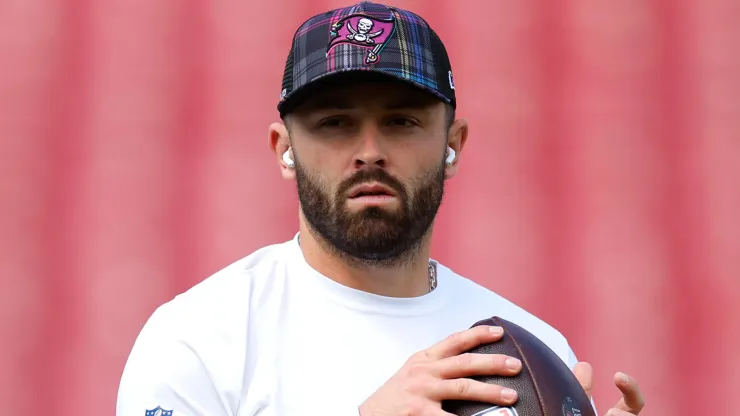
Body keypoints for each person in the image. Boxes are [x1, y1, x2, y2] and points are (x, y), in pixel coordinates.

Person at [116, 2, 645, 415]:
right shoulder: (199, 338)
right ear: (284, 150)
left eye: (401, 121)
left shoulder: (527, 352)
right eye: (335, 123)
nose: (370, 150)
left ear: (452, 144)